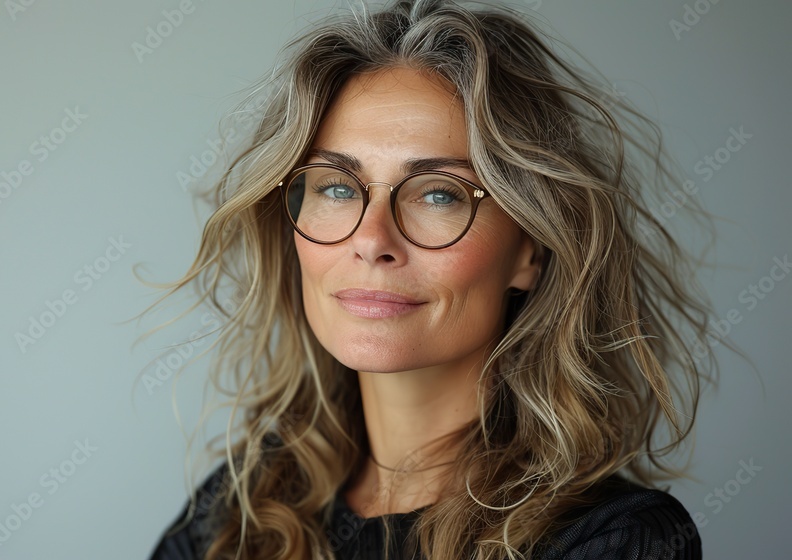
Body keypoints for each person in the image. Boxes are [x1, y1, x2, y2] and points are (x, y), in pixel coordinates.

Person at [147, 1, 717, 558]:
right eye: (338, 187)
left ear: (532, 251)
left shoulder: (614, 539)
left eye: (438, 193)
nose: (371, 240)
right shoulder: (237, 510)